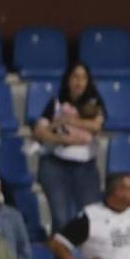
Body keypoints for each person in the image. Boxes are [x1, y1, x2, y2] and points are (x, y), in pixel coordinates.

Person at [32, 62, 106, 232]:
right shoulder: (56, 103)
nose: (79, 81)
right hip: (56, 164)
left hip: (85, 167)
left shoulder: (95, 104)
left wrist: (69, 121)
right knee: (61, 219)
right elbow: (39, 131)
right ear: (67, 80)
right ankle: (62, 258)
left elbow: (96, 126)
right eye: (75, 76)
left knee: (90, 217)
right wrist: (61, 139)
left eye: (83, 77)